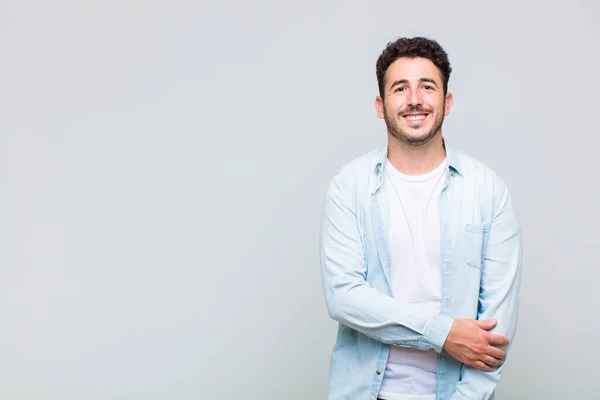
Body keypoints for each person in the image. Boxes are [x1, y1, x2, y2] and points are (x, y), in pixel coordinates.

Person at [319, 37, 522, 400]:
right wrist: (443, 333)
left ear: (447, 102)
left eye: (427, 86)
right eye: (401, 88)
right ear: (381, 106)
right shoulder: (348, 186)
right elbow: (344, 297)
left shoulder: (488, 191)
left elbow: (496, 331)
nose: (414, 99)